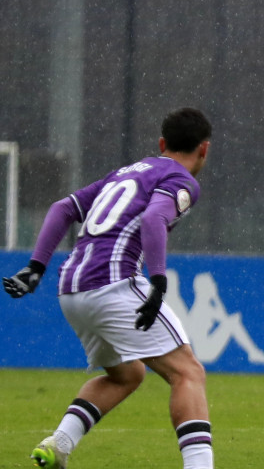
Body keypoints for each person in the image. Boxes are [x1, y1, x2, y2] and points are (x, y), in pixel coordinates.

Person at [3, 108, 215, 469]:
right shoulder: (181, 180)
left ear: (161, 143)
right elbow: (153, 218)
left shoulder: (125, 173)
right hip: (112, 283)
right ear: (204, 150)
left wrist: (36, 266)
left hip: (71, 288)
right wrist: (159, 279)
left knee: (127, 374)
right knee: (188, 372)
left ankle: (59, 446)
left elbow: (62, 208)